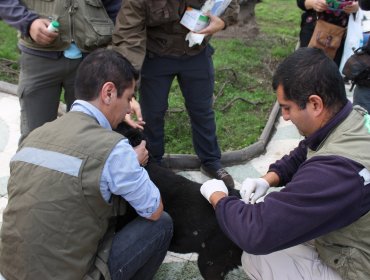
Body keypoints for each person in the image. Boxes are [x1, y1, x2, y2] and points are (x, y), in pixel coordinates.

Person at [0, 49, 173, 280]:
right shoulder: (114, 148)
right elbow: (153, 210)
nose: (130, 108)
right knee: (161, 224)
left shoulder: (35, 135)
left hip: (10, 270)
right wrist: (132, 162)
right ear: (109, 92)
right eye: (129, 97)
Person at [200, 47, 370, 280]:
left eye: (287, 107)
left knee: (258, 256)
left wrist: (218, 197)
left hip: (359, 264)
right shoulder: (352, 119)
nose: (285, 116)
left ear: (315, 104)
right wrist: (267, 179)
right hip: (352, 231)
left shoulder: (336, 172)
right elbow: (305, 150)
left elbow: (256, 232)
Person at [112, 0, 240, 189]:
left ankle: (211, 161)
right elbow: (128, 38)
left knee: (202, 110)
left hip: (197, 53)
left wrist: (223, 21)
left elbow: (230, 4)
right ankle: (153, 164)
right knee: (152, 113)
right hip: (156, 55)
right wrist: (126, 90)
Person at [0, 0, 145, 142]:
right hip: (39, 56)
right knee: (34, 137)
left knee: (90, 137)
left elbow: (119, 13)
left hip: (92, 59)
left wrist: (124, 91)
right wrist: (28, 22)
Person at [297, 0, 359, 66]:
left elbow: (364, 5)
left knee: (330, 71)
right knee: (305, 67)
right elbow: (300, 2)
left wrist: (358, 6)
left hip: (341, 38)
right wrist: (313, 3)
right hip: (312, 31)